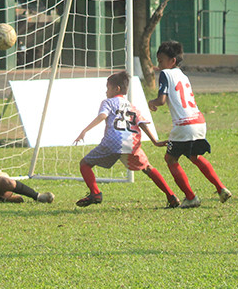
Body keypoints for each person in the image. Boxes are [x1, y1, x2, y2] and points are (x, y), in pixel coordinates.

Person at [73, 70, 180, 208]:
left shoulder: (108, 102)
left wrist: (84, 131)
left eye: (108, 88)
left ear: (116, 88)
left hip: (112, 142)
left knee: (84, 164)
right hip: (132, 143)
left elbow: (102, 116)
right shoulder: (131, 106)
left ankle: (95, 193)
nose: (106, 92)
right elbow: (142, 124)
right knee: (148, 168)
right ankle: (171, 196)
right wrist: (155, 141)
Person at [147, 40, 232, 208]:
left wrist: (151, 102)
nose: (159, 64)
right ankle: (221, 188)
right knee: (195, 157)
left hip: (184, 125)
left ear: (172, 61)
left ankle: (191, 197)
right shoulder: (183, 76)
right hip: (199, 121)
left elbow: (162, 100)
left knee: (170, 159)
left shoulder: (166, 74)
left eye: (161, 60)